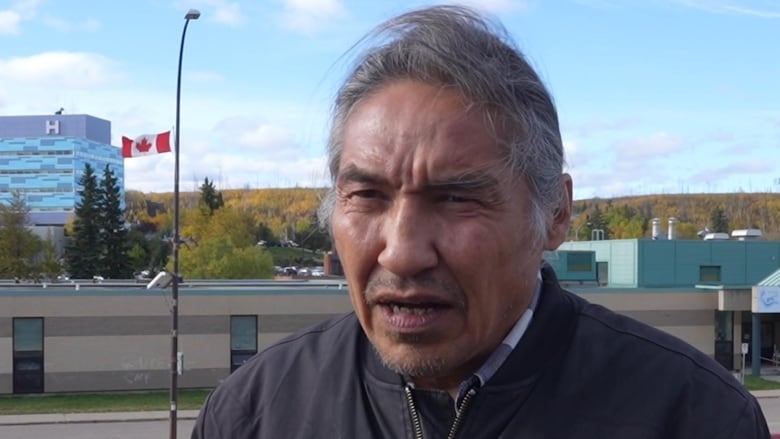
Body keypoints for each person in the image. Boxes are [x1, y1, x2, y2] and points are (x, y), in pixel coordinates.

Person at [191, 5, 770, 438]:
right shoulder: (255, 412)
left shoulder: (691, 415)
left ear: (556, 214)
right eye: (368, 194)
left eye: (455, 199)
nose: (402, 253)